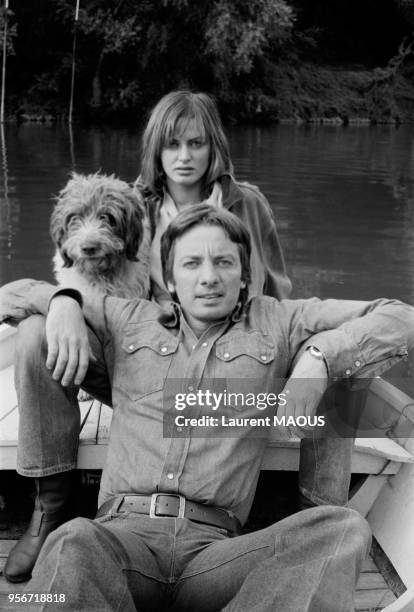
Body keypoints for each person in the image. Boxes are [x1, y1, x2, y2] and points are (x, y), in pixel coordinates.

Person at [1, 204, 413, 611]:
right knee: (70, 544)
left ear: (245, 274)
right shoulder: (127, 317)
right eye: (192, 263)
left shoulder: (280, 321)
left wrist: (321, 355)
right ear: (171, 279)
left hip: (216, 557)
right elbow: (10, 296)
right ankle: (49, 509)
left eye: (223, 262)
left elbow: (400, 317)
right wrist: (65, 301)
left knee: (342, 529)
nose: (209, 277)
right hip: (119, 543)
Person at [2, 90, 341, 583]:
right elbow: (82, 281)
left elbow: (280, 291)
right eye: (171, 145)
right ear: (155, 151)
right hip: (141, 366)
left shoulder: (248, 204)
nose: (184, 157)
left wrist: (309, 352)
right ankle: (50, 505)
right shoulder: (129, 205)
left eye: (196, 144)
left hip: (229, 363)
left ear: (214, 148)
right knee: (36, 335)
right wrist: (63, 302)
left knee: (339, 364)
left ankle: (315, 523)